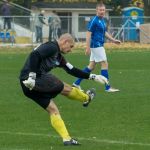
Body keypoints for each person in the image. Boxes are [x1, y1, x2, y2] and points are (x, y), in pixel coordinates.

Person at [19, 33, 108, 146]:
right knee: (63, 87)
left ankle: (66, 139)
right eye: (71, 46)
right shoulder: (52, 47)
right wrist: (32, 76)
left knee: (53, 110)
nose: (70, 50)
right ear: (65, 41)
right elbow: (34, 55)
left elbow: (72, 70)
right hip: (33, 79)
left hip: (26, 85)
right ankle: (86, 97)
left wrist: (93, 77)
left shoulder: (59, 57)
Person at [73, 3, 121, 92]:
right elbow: (88, 33)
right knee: (104, 63)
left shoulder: (102, 20)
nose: (102, 11)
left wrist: (113, 40)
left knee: (91, 66)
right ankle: (108, 87)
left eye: (103, 10)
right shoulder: (94, 20)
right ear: (97, 10)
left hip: (98, 45)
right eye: (100, 10)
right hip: (96, 45)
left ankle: (76, 83)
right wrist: (87, 47)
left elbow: (104, 32)